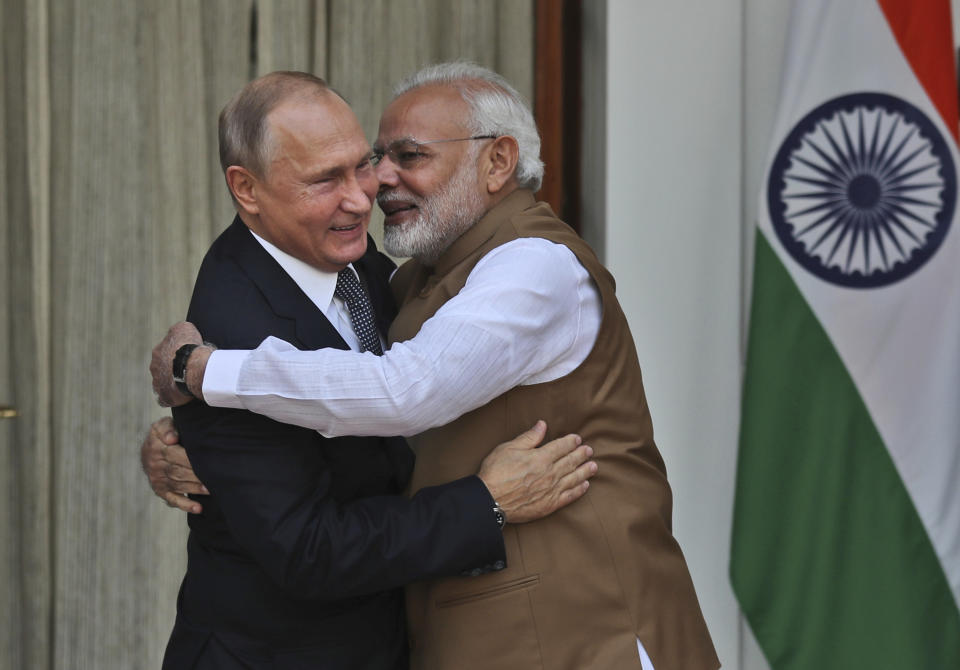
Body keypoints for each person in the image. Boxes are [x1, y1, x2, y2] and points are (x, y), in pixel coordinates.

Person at [151, 63, 719, 669]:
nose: (374, 187)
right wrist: (189, 439)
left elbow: (403, 390)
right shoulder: (397, 267)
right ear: (248, 189)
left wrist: (202, 373)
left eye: (405, 156)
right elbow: (309, 534)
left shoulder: (530, 269)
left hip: (585, 626)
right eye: (378, 157)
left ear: (498, 162)